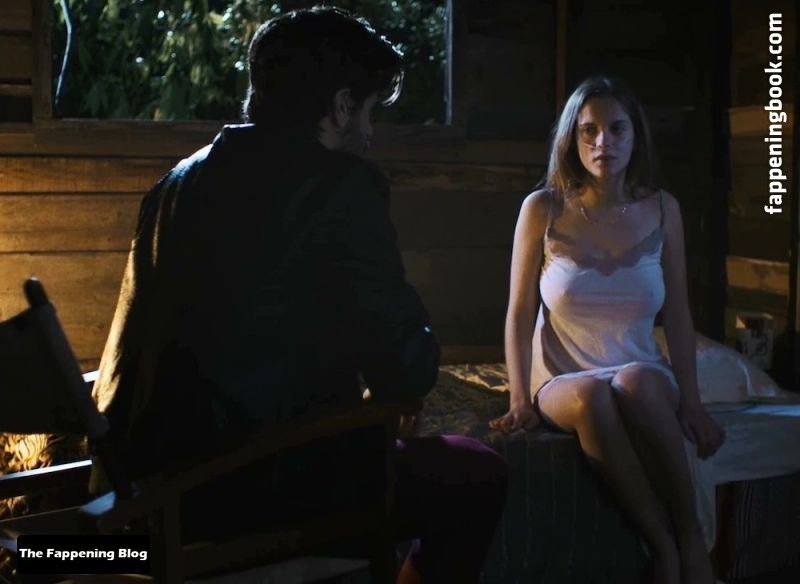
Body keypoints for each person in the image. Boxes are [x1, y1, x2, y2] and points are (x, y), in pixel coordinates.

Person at [92, 7, 506, 583]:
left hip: (139, 500)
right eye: (368, 112)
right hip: (255, 492)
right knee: (478, 472)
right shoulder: (340, 186)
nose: (370, 134)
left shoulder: (176, 183)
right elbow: (407, 367)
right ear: (340, 106)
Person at [489, 76, 725, 584]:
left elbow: (678, 313)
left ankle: (691, 539)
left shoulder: (663, 209)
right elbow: (519, 310)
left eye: (617, 129)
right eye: (589, 131)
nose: (603, 142)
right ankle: (662, 544)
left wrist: (692, 403)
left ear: (635, 135)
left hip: (640, 366)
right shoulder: (543, 208)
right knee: (594, 396)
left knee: (633, 382)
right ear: (571, 139)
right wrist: (518, 399)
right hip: (563, 377)